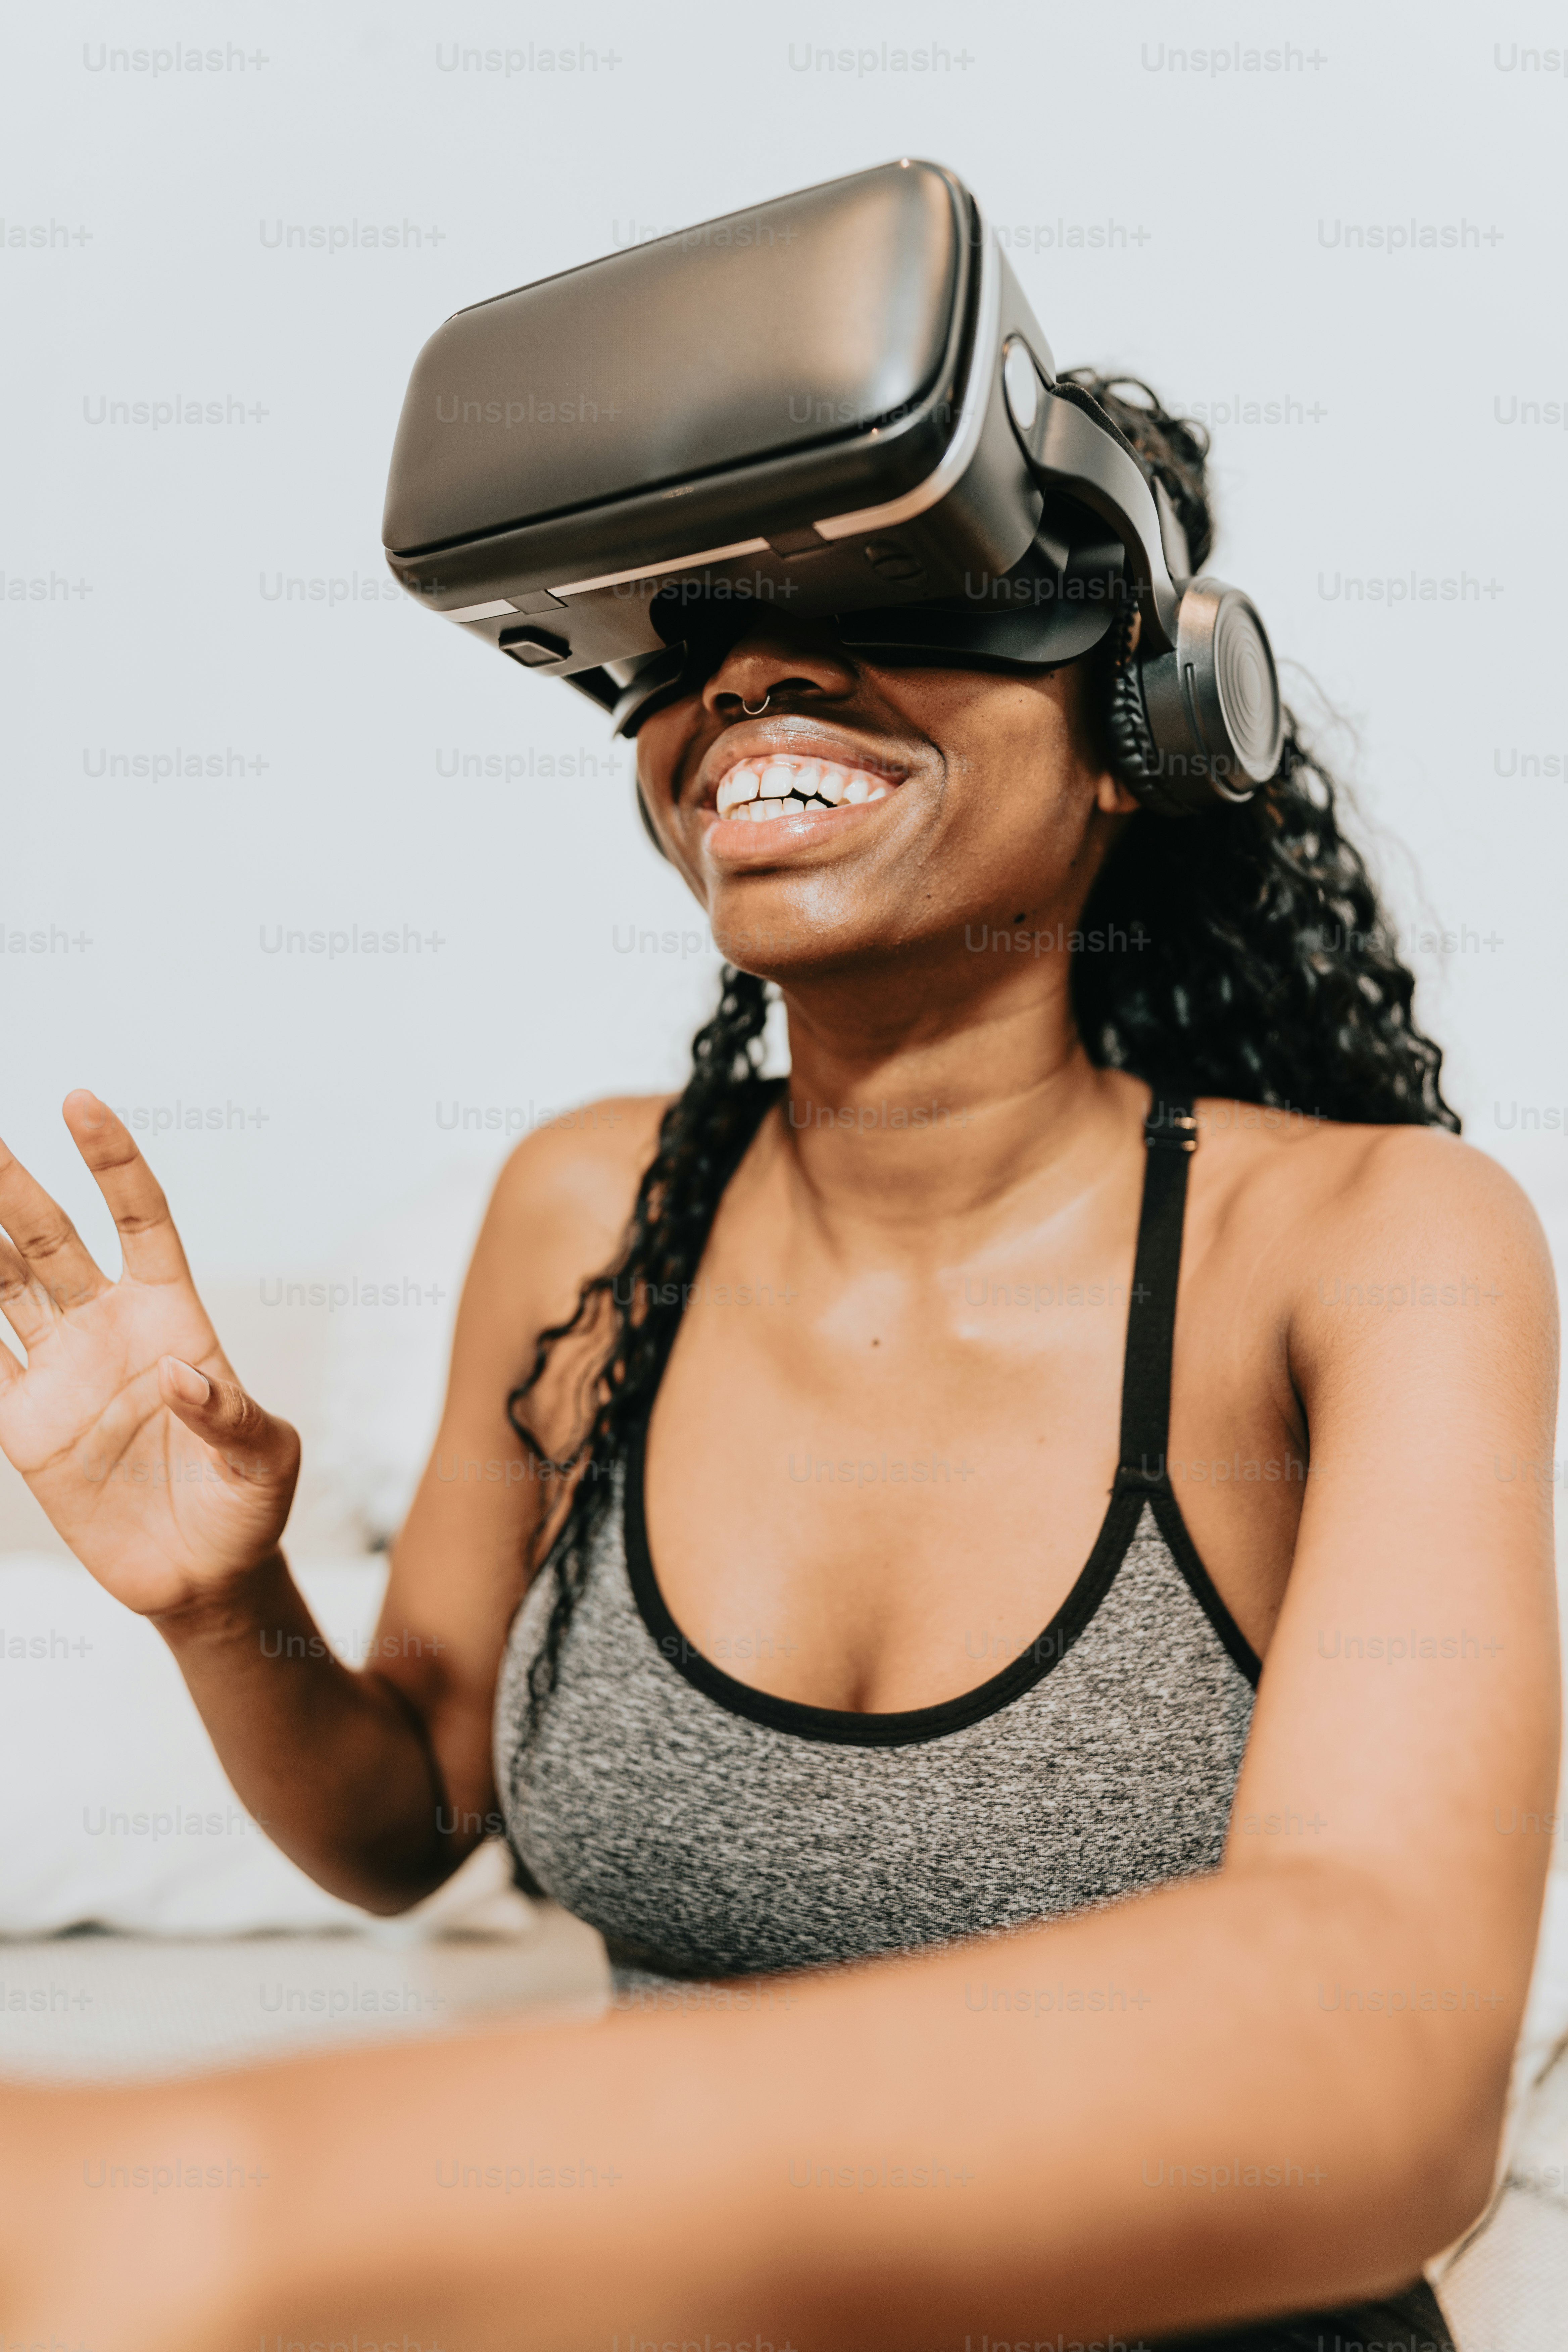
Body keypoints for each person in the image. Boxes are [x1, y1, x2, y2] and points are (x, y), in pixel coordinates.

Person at [0, 380, 1556, 2352]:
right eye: (687, 640)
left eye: (899, 586)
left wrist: (216, 2209)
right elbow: (404, 1819)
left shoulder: (1372, 1246)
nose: (747, 681)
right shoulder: (589, 1212)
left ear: (1135, 731)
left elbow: (1382, 2065)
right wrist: (225, 1608)